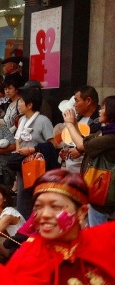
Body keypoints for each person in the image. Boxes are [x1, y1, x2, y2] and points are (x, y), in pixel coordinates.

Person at [64, 94, 115, 226]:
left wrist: (69, 125)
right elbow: (85, 142)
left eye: (103, 108)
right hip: (100, 190)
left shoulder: (111, 137)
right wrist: (75, 124)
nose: (100, 110)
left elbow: (82, 145)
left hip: (103, 193)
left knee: (97, 233)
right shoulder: (105, 132)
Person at [13, 84, 55, 217]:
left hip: (38, 167)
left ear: (30, 105)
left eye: (21, 101)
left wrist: (32, 150)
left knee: (36, 197)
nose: (18, 104)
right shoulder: (21, 120)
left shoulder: (43, 121)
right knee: (22, 199)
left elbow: (52, 145)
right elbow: (18, 139)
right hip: (23, 164)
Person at [60, 85, 101, 174]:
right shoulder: (77, 118)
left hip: (89, 171)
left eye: (77, 100)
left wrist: (80, 150)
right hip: (71, 170)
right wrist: (66, 150)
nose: (74, 104)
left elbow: (95, 144)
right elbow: (74, 139)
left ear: (88, 101)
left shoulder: (100, 120)